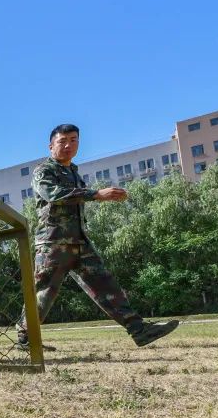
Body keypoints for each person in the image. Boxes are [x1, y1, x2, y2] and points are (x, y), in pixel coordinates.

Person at [17, 124, 179, 348]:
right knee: (44, 292)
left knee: (105, 285)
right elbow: (53, 195)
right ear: (51, 145)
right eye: (62, 141)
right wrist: (96, 194)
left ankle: (138, 330)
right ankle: (26, 338)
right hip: (54, 243)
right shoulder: (43, 170)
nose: (68, 145)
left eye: (73, 140)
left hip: (80, 241)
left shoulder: (72, 171)